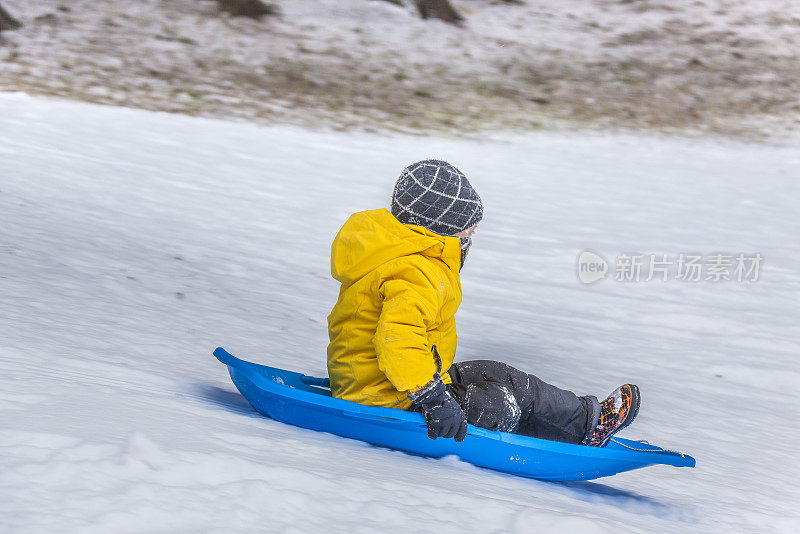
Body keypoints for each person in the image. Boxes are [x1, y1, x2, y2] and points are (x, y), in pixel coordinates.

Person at [326, 160, 640, 446]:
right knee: (497, 403)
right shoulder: (415, 272)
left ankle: (589, 420)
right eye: (466, 224)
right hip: (387, 396)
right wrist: (434, 400)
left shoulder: (405, 253)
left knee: (498, 375)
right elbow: (398, 340)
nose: (473, 230)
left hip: (400, 380)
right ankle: (558, 442)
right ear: (439, 224)